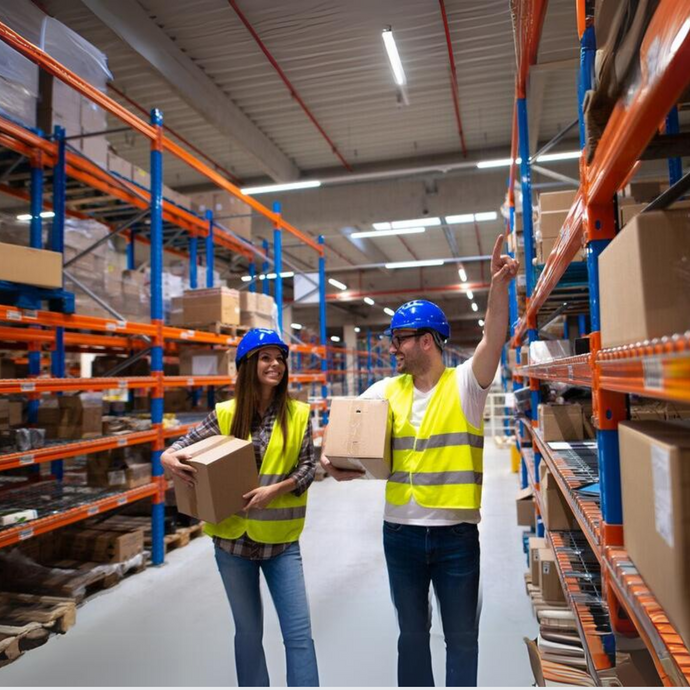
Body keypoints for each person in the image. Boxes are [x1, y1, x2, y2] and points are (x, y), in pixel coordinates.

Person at [322, 234, 518, 687]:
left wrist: (498, 287)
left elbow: (493, 338)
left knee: (462, 638)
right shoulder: (386, 391)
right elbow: (347, 437)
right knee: (411, 636)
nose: (394, 348)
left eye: (400, 340)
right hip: (401, 534)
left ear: (427, 341)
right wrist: (337, 465)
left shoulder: (467, 385)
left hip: (455, 536)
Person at [162, 328, 319, 687]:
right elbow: (178, 448)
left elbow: (309, 467)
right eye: (266, 357)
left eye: (280, 358)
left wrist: (276, 489)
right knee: (248, 635)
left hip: (281, 543)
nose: (275, 364)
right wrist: (168, 458)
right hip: (232, 543)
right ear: (248, 365)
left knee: (298, 635)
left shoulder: (297, 414)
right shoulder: (225, 413)